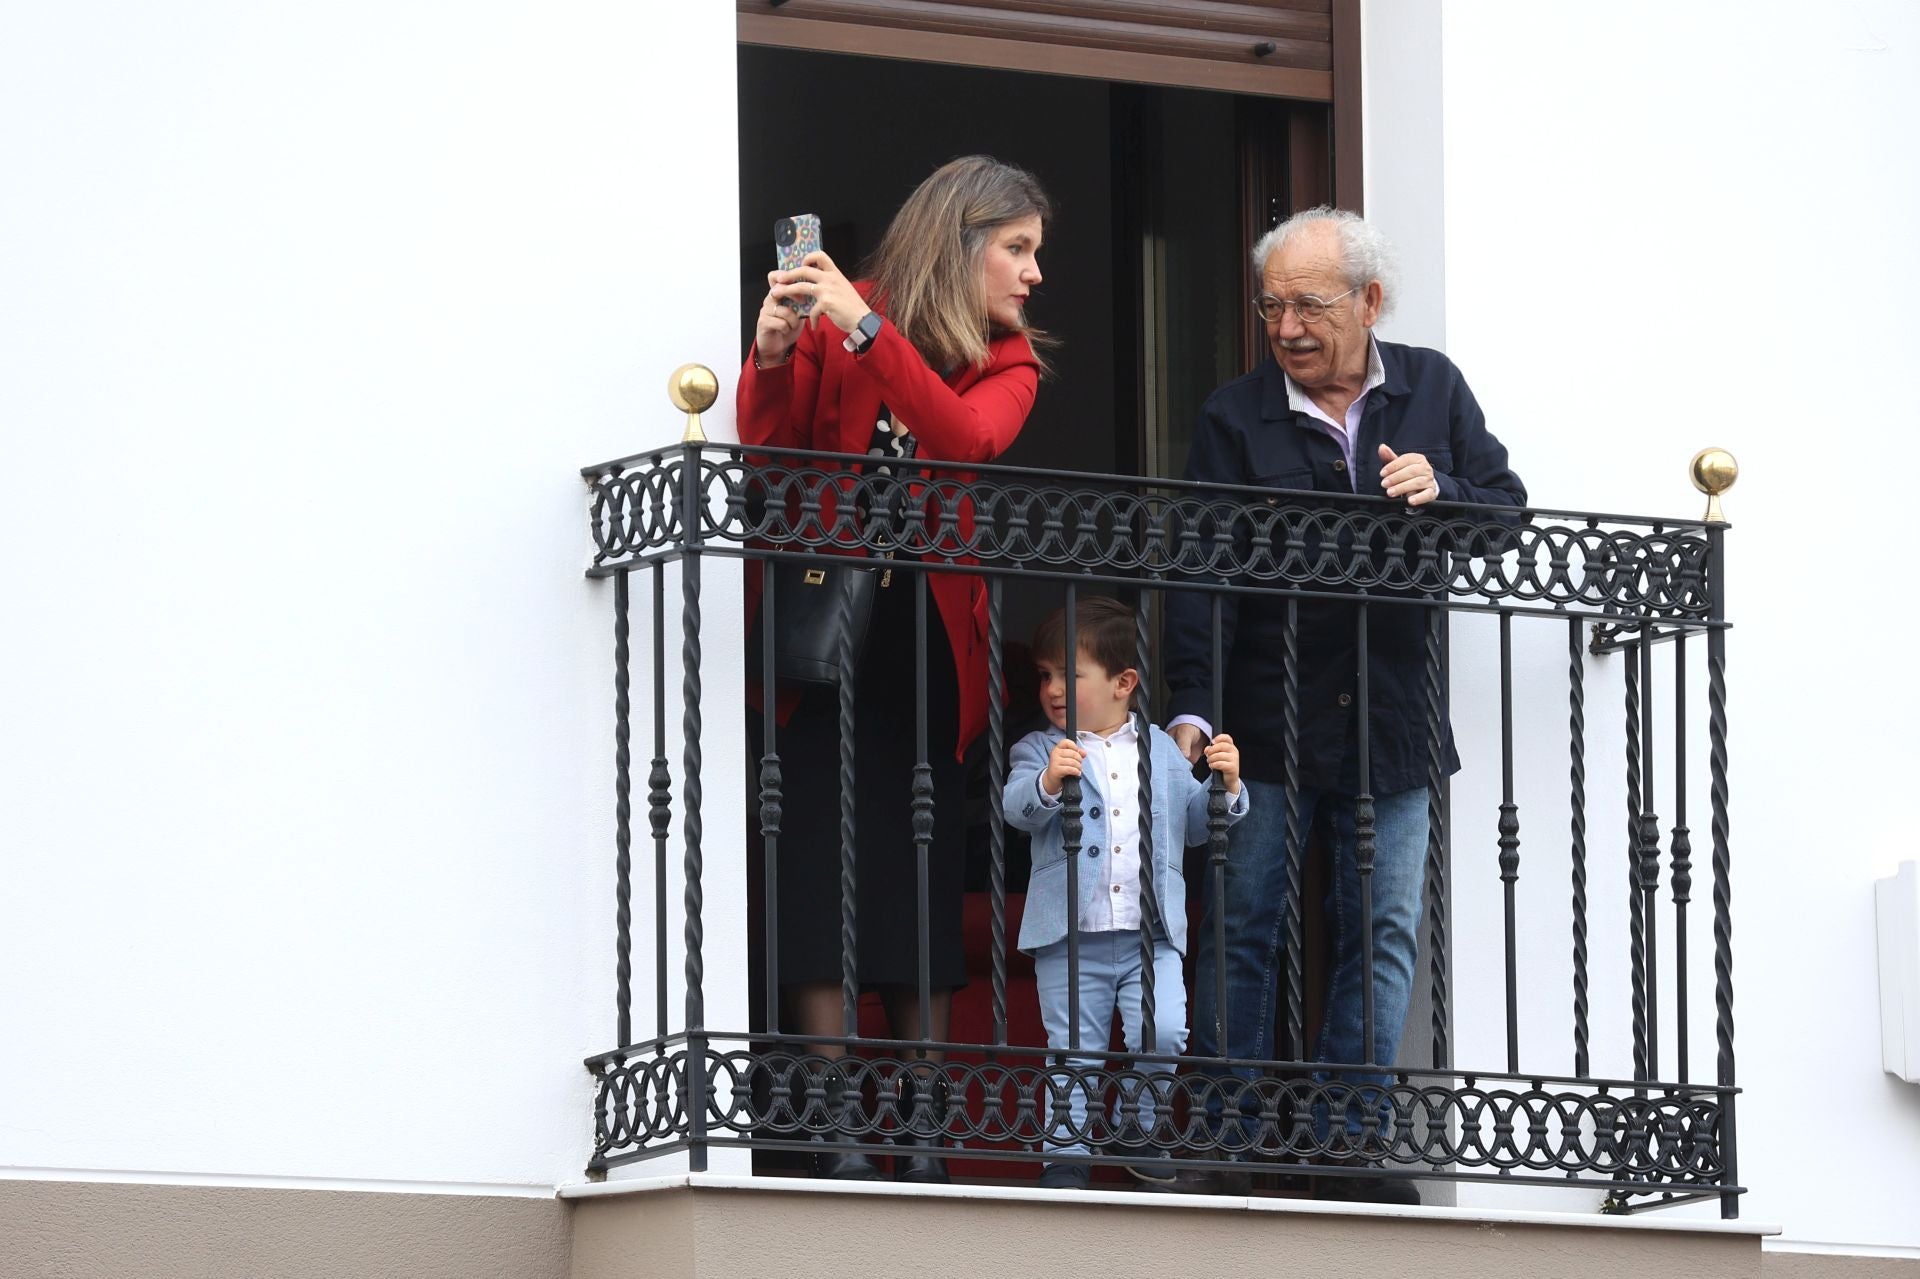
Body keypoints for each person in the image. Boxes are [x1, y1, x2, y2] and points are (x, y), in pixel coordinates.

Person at [1164, 206, 1526, 1203]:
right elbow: (1199, 570)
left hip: (1392, 719)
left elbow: (1508, 513)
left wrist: (1442, 485)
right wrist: (1192, 704)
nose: (1286, 326)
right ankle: (1233, 1137)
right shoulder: (1234, 413)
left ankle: (1348, 1144)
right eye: (1272, 305)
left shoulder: (1432, 389)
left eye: (1309, 304)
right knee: (1242, 923)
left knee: (1382, 929)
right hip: (1264, 719)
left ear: (1370, 301)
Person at [737, 155, 1051, 1183]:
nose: (1033, 273)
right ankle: (832, 1119)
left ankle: (918, 1122)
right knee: (820, 852)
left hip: (922, 627)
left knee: (915, 861)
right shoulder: (842, 309)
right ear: (961, 241)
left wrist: (866, 337)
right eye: (1018, 248)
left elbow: (962, 438)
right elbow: (769, 455)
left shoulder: (1009, 361)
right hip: (827, 614)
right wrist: (775, 354)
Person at [1004, 597, 1247, 1191]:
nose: (1053, 689)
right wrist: (1046, 781)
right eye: (1045, 676)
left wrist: (1229, 786)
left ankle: (1139, 1126)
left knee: (1163, 1030)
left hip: (1150, 933)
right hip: (1072, 934)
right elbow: (1016, 809)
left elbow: (1194, 827)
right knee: (1074, 1050)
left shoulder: (1161, 750)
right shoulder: (1039, 749)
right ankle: (1066, 1152)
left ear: (1123, 683)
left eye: (1069, 674)